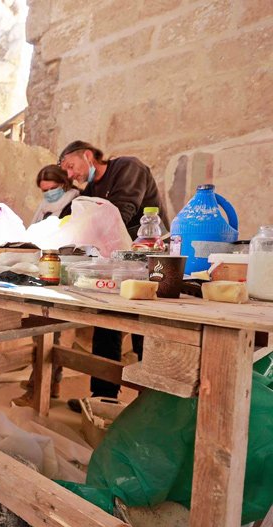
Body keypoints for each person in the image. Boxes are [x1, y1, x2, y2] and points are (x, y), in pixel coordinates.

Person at [58, 141, 169, 410]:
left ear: (88, 155)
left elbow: (122, 212)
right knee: (106, 321)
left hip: (152, 259)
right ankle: (103, 399)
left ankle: (151, 407)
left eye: (71, 167)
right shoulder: (93, 189)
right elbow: (70, 216)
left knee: (146, 328)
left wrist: (84, 229)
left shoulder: (128, 167)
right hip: (118, 263)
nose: (71, 175)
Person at [13, 165, 80, 407]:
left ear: (64, 184)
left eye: (53, 189)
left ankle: (38, 388)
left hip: (65, 269)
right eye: (44, 190)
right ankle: (50, 384)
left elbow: (72, 237)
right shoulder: (45, 208)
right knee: (46, 331)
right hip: (46, 267)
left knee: (47, 331)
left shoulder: (75, 203)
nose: (49, 194)